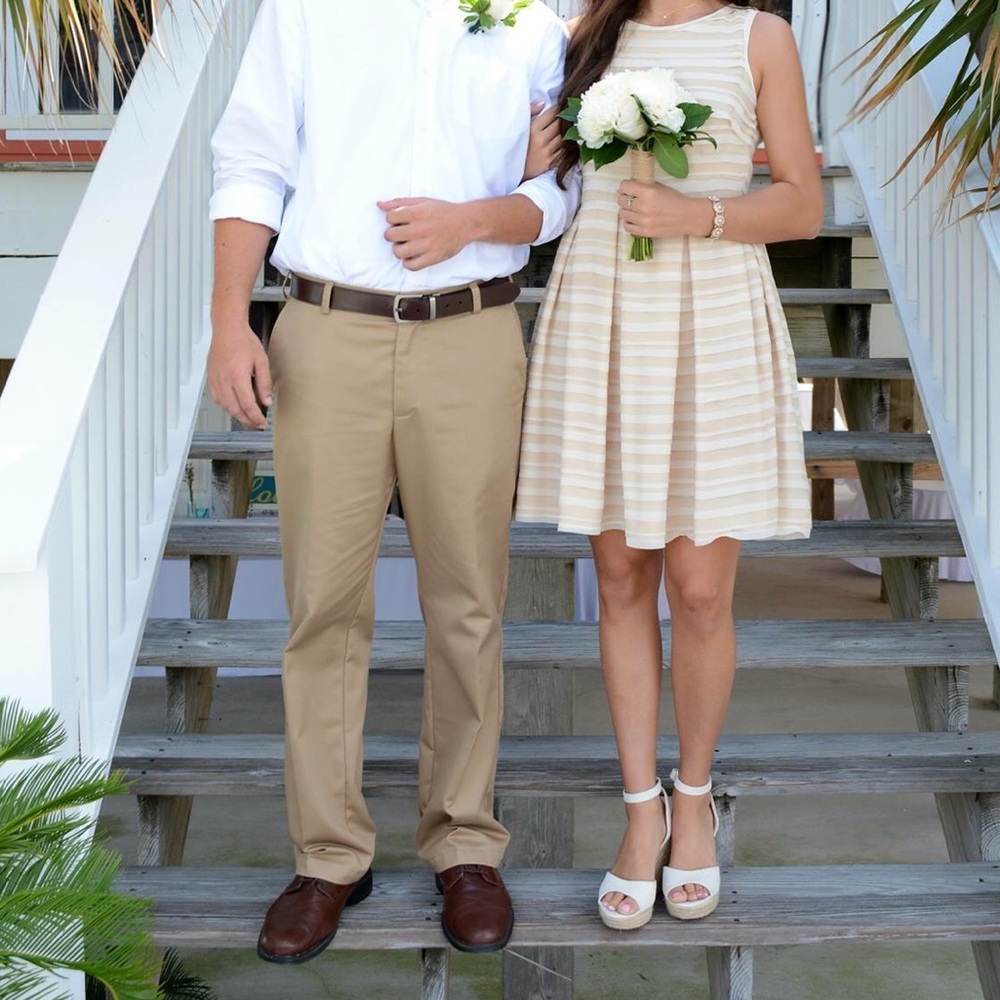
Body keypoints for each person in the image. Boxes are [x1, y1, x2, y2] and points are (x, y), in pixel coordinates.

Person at [206, 0, 580, 964]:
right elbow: (251, 159)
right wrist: (228, 322)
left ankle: (464, 841)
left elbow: (560, 191)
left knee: (468, 599)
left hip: (472, 330)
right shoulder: (304, 12)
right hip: (328, 331)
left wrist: (475, 221)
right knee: (323, 605)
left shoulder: (533, 21)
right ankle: (327, 856)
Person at [516, 0, 823, 928]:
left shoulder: (758, 37)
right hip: (606, 306)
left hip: (714, 314)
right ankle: (639, 814)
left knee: (697, 589)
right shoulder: (585, 30)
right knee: (617, 577)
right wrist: (531, 163)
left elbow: (805, 204)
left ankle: (695, 803)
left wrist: (699, 213)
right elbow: (541, 178)